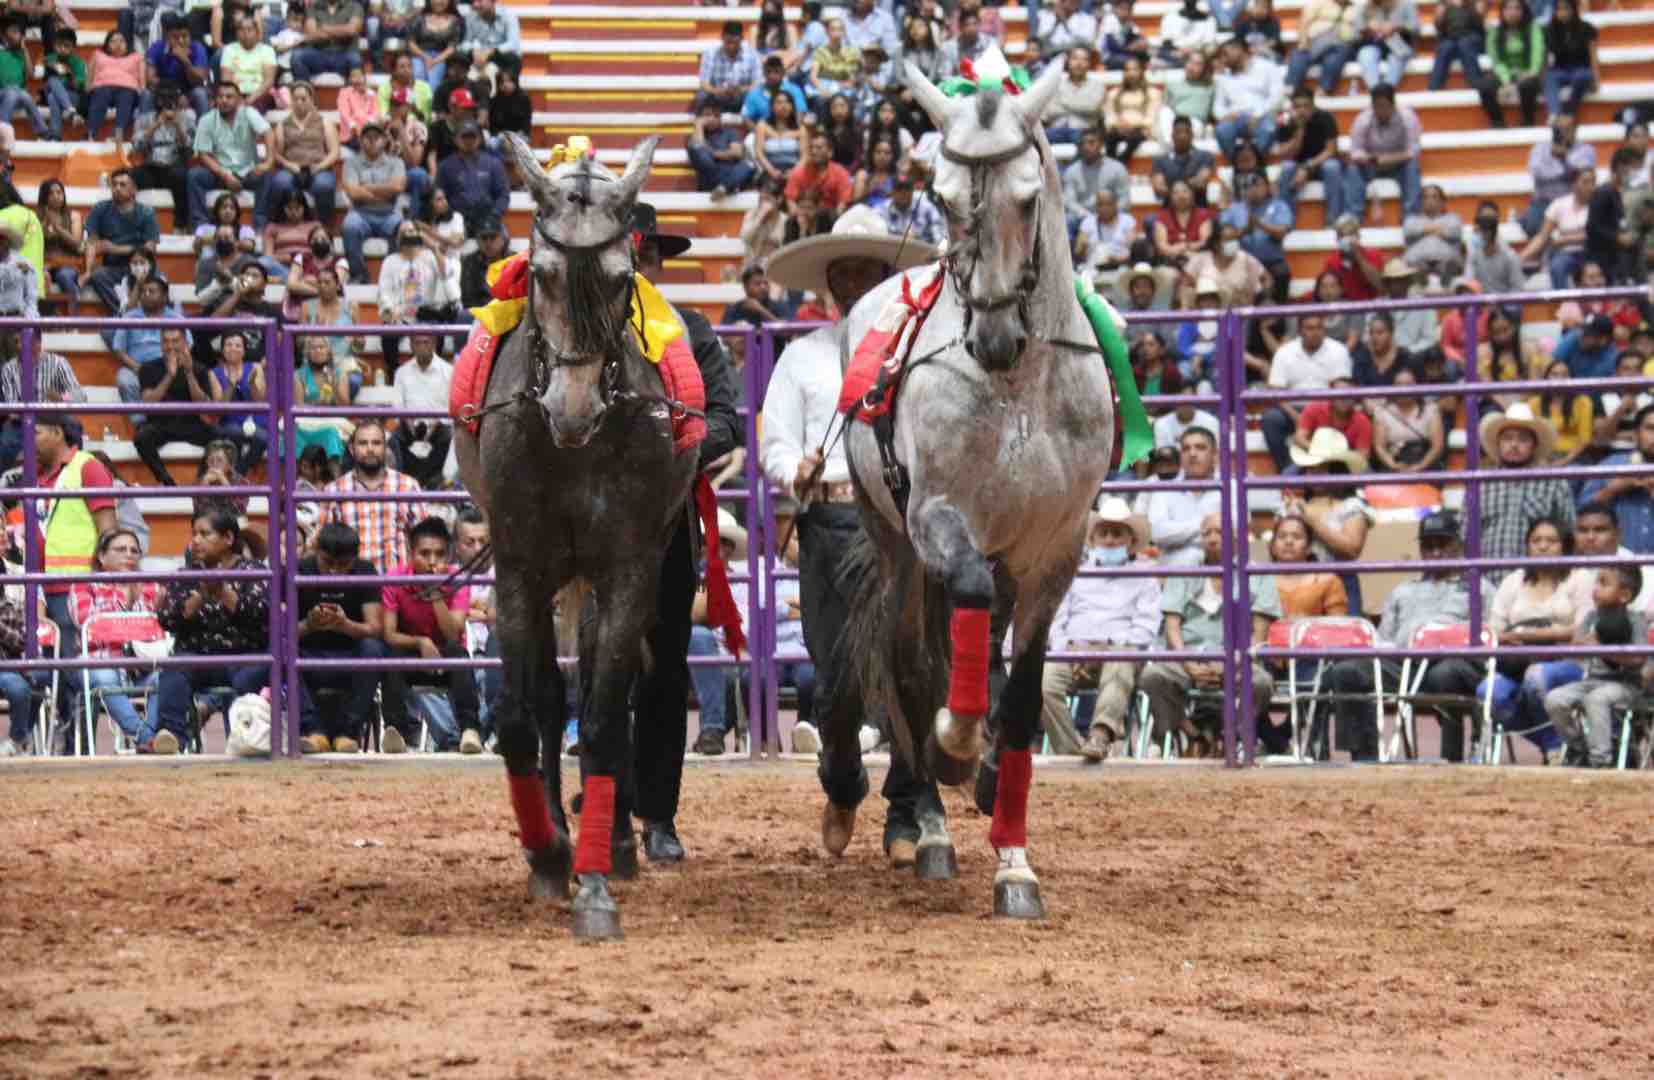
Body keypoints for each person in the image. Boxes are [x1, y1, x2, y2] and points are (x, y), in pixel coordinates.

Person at [761, 205, 939, 867]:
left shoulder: (915, 353)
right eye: (844, 273)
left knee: (908, 670)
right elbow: (775, 439)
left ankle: (905, 809)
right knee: (833, 681)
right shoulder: (802, 356)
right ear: (829, 284)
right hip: (831, 519)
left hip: (898, 521)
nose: (855, 283)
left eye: (868, 270)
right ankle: (842, 780)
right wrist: (792, 467)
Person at [618, 203, 744, 862]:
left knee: (665, 668)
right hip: (603, 525)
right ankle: (614, 806)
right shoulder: (591, 337)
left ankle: (657, 812)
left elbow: (728, 419)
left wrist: (678, 444)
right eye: (631, 256)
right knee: (605, 668)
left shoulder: (691, 331)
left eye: (646, 257)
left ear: (658, 263)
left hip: (666, 519)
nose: (639, 267)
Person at [1320, 511, 1493, 762]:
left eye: (1443, 545)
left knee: (1445, 674)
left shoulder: (1479, 588)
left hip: (1454, 664)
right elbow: (1383, 641)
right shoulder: (1403, 590)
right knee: (1347, 671)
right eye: (1428, 546)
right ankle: (1363, 757)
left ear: (1459, 545)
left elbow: (1491, 635)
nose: (1435, 553)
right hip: (1404, 666)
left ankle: (1451, 759)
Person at [1139, 513, 1279, 759]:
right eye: (1207, 534)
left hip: (1237, 657)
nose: (1213, 539)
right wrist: (1189, 663)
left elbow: (1259, 634)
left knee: (1261, 683)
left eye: (1220, 532)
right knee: (1153, 676)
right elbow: (1172, 628)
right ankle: (1193, 734)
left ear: (1238, 537)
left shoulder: (1257, 574)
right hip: (1188, 656)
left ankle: (1230, 736)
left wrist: (1233, 662)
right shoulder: (1184, 572)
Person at [1041, 499, 1157, 762]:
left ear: (1130, 540)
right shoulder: (1074, 574)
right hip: (1073, 653)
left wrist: (1104, 647)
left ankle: (1100, 736)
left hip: (1118, 652)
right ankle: (1070, 752)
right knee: (1043, 681)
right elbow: (1056, 622)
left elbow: (1145, 630)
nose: (1110, 539)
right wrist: (1070, 648)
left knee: (1121, 661)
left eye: (1117, 533)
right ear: (1092, 539)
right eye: (1103, 533)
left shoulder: (1145, 577)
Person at [154, 509, 271, 755]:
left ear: (228, 538)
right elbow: (168, 620)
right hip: (198, 656)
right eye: (194, 533)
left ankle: (245, 738)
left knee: (258, 670)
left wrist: (224, 593)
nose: (195, 540)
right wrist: (202, 596)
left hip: (244, 656)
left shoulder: (254, 571)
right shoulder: (186, 575)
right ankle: (171, 736)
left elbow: (263, 617)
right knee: (175, 666)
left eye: (205, 534)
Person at [1474, 516, 1589, 756]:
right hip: (1517, 663)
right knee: (1488, 691)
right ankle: (1554, 744)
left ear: (1565, 546)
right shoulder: (1513, 581)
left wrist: (1531, 635)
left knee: (1536, 677)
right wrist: (1505, 638)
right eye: (1536, 540)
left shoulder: (1580, 578)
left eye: (1551, 541)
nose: (1543, 546)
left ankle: (1562, 747)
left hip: (1568, 662)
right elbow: (1493, 629)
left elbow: (1581, 630)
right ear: (1527, 545)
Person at [378, 515, 478, 754]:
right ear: (411, 553)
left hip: (446, 655)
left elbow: (453, 634)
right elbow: (389, 634)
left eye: (439, 554)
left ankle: (470, 731)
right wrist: (420, 642)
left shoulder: (458, 579)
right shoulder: (395, 578)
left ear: (449, 554)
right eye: (424, 554)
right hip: (410, 653)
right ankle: (396, 731)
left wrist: (433, 591)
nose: (432, 561)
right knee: (389, 654)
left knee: (458, 653)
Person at [69, 527, 164, 752]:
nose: (129, 555)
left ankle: (147, 740)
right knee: (105, 674)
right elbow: (86, 623)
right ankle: (147, 739)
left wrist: (117, 623)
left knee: (167, 678)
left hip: (142, 666)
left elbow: (157, 630)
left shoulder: (151, 585)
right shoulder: (83, 585)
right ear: (102, 556)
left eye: (134, 550)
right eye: (120, 549)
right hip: (99, 663)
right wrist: (128, 609)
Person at [1545, 566, 1648, 768]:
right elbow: (1575, 648)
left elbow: (1639, 659)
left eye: (1604, 583)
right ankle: (1577, 747)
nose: (1596, 589)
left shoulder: (1636, 620)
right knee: (1555, 699)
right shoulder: (1592, 616)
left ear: (1624, 595)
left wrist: (1603, 649)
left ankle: (1600, 760)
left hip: (1626, 685)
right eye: (1596, 582)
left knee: (1596, 699)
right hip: (1592, 680)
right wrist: (1581, 644)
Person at [1477, 404, 1576, 582]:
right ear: (1498, 443)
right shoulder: (1481, 484)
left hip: (1538, 583)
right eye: (1507, 438)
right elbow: (1466, 534)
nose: (1514, 445)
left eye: (1523, 439)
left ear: (1534, 445)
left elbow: (1568, 532)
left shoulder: (1554, 483)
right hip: (1487, 582)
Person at [1281, 427, 1373, 614]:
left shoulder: (1352, 506)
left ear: (1337, 471)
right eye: (1310, 469)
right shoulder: (1295, 504)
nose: (1313, 474)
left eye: (1321, 468)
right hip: (1298, 585)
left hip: (1341, 584)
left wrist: (1311, 521)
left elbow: (1352, 549)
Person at [321, 420, 429, 572]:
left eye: (376, 443)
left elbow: (425, 540)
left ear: (385, 448)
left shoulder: (408, 486)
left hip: (397, 586)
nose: (370, 449)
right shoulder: (333, 491)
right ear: (352, 449)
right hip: (350, 585)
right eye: (363, 443)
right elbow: (323, 546)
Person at [1262, 313, 1353, 473]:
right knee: (1271, 419)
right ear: (1300, 331)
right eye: (1310, 328)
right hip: (1293, 409)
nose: (1315, 332)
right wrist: (1296, 416)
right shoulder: (1284, 352)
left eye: (1319, 327)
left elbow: (1342, 389)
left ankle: (1336, 471)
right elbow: (1275, 392)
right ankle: (1289, 470)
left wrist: (1314, 415)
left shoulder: (1338, 350)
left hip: (1328, 409)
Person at [132, 326, 220, 487]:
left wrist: (188, 373)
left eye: (175, 341)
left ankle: (201, 481)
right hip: (160, 424)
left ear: (185, 343)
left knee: (219, 437)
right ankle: (167, 480)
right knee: (141, 438)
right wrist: (170, 375)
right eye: (165, 341)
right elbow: (148, 403)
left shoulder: (199, 369)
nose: (170, 346)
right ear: (160, 344)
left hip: (191, 424)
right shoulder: (148, 368)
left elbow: (203, 405)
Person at [186, 81, 274, 232]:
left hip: (247, 171)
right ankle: (201, 225)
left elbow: (268, 132)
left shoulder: (248, 113)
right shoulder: (206, 120)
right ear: (215, 100)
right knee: (194, 175)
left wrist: (268, 161)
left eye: (229, 96)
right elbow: (203, 154)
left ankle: (260, 225)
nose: (224, 100)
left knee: (266, 175)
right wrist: (225, 175)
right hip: (219, 173)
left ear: (239, 99)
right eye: (220, 97)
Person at [84, 169, 160, 321]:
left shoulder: (146, 213)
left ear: (134, 190)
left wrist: (115, 249)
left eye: (123, 184)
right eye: (114, 184)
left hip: (140, 266)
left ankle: (154, 317)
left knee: (159, 279)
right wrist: (87, 270)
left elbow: (150, 249)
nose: (117, 188)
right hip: (112, 269)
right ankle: (124, 313)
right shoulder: (100, 209)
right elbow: (91, 242)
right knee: (97, 275)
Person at [265, 81, 342, 228]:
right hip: (292, 169)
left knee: (324, 186)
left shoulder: (324, 122)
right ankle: (277, 226)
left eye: (304, 99)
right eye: (296, 99)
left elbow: (334, 152)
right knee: (280, 183)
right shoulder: (283, 124)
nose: (299, 102)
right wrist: (288, 165)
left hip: (319, 168)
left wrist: (320, 166)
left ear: (311, 100)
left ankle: (324, 228)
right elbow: (276, 153)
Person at [1580, 402, 1654, 554]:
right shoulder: (1611, 465)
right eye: (1650, 429)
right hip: (1617, 567)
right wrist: (1614, 488)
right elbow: (1581, 513)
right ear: (1635, 434)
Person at [1145, 426, 1223, 567]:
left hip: (1221, 571)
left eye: (1200, 447)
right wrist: (1205, 526)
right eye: (1186, 449)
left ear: (1215, 455)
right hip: (1175, 573)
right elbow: (1157, 533)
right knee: (1189, 559)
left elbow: (1236, 529)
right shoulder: (1164, 488)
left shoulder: (1230, 486)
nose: (1192, 453)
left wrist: (1177, 538)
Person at [340, 121, 408, 284]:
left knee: (402, 227)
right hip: (361, 213)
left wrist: (366, 188)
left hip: (389, 213)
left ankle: (393, 277)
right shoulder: (351, 163)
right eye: (367, 137)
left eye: (376, 137)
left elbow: (398, 187)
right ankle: (359, 275)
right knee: (349, 226)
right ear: (361, 141)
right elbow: (353, 192)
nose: (372, 140)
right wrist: (385, 191)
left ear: (384, 141)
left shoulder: (396, 162)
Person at [1277, 88, 1356, 225]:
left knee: (1332, 167)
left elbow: (1330, 150)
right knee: (1286, 167)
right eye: (1297, 106)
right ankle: (1285, 221)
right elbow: (1285, 152)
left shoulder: (1326, 117)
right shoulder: (1284, 119)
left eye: (1306, 106)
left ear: (1313, 106)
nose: (1301, 110)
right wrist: (1299, 131)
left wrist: (1307, 167)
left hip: (1319, 164)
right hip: (1297, 165)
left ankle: (1333, 219)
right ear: (1291, 107)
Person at [129, 82, 196, 234]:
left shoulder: (187, 119)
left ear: (177, 99)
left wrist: (178, 126)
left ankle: (180, 225)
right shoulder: (144, 119)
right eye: (163, 98)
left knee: (183, 177)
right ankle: (130, 224)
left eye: (171, 98)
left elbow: (189, 150)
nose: (166, 101)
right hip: (151, 166)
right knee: (130, 178)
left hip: (174, 166)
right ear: (156, 100)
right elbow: (137, 147)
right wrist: (155, 126)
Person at [1348, 83, 1421, 221]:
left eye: (1384, 106)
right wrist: (1372, 159)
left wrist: (1386, 159)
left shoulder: (1408, 118)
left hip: (1399, 165)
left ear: (1393, 104)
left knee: (1412, 166)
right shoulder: (1363, 119)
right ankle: (1354, 216)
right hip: (1370, 164)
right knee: (1353, 169)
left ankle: (1410, 216)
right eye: (1376, 106)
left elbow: (1413, 152)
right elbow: (1355, 152)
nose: (1380, 111)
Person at [391, 335, 453, 489]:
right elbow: (397, 407)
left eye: (426, 342)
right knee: (394, 438)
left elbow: (452, 407)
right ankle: (402, 484)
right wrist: (408, 421)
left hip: (439, 426)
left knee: (450, 436)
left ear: (434, 343)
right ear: (411, 345)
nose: (422, 346)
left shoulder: (449, 371)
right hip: (410, 425)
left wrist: (437, 422)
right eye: (417, 343)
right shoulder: (401, 372)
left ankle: (425, 483)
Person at [1220, 172, 1293, 301]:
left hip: (1272, 261)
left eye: (1257, 184)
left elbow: (1282, 232)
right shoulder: (1235, 208)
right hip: (1243, 262)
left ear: (1267, 187)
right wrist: (1245, 230)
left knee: (1283, 272)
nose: (1253, 189)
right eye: (1248, 186)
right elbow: (1223, 234)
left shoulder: (1279, 206)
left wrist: (1260, 224)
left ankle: (1278, 316)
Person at [1212, 36, 1283, 158]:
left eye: (1225, 54)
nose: (1222, 60)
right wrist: (1226, 115)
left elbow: (1277, 97)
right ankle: (1238, 165)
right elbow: (1218, 107)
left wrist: (1257, 115)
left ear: (1238, 50)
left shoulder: (1267, 67)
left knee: (1269, 128)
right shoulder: (1223, 77)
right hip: (1235, 118)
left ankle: (1255, 166)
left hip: (1262, 116)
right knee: (1221, 130)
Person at [1371, 359, 1445, 473]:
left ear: (1416, 386)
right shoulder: (1382, 412)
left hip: (1425, 465)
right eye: (1399, 384)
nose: (1403, 389)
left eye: (1408, 384)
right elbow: (1379, 446)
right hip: (1393, 464)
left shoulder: (1430, 409)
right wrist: (1394, 465)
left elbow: (1437, 445)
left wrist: (1419, 467)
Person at [435, 120, 508, 233]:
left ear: (479, 139)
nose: (468, 141)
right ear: (455, 139)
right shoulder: (445, 166)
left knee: (497, 238)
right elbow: (439, 195)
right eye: (464, 137)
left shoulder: (494, 164)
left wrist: (495, 215)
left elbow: (503, 195)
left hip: (488, 219)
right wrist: (448, 216)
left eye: (472, 136)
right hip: (456, 221)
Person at [1479, 0, 1542, 129]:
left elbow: (1537, 53)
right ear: (1502, 12)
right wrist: (1506, 80)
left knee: (1527, 85)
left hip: (1527, 71)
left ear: (1523, 11)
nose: (1512, 12)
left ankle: (1527, 121)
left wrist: (1532, 71)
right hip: (1504, 72)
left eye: (1517, 8)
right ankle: (1498, 122)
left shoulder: (1533, 29)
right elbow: (1496, 61)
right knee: (1485, 86)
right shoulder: (1495, 32)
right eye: (1508, 8)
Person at [1061, 128, 1129, 235]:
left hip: (1112, 215)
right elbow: (1069, 202)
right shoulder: (1072, 171)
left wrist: (1109, 214)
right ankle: (1068, 252)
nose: (1086, 147)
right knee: (1067, 221)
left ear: (1101, 145)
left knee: (1127, 221)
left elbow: (1124, 200)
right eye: (1082, 144)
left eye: (1091, 142)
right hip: (1083, 217)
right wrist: (1089, 217)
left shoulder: (1117, 168)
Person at [1286, 0, 1360, 94]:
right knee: (1299, 54)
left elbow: (1360, 31)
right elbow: (1304, 22)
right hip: (1315, 42)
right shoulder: (1319, 3)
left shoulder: (1355, 8)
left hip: (1341, 46)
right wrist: (1303, 41)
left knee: (1335, 58)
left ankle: (1323, 90)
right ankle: (1291, 89)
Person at [143, 16, 210, 118]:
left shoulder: (197, 48)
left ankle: (205, 133)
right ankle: (144, 131)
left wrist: (186, 62)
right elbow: (150, 80)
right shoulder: (157, 47)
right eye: (175, 37)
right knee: (147, 94)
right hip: (164, 91)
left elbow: (200, 81)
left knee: (200, 93)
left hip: (189, 92)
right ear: (166, 37)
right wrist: (175, 94)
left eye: (185, 36)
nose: (181, 41)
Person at [86, 29, 144, 143]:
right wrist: (89, 91)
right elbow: (89, 78)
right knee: (101, 93)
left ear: (127, 45)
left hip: (128, 88)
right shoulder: (98, 55)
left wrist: (141, 91)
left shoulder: (136, 57)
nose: (118, 44)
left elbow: (142, 81)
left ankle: (118, 132)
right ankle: (91, 133)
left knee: (126, 95)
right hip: (103, 87)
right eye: (113, 41)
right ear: (107, 45)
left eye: (121, 41)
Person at [1544, 0, 1599, 119]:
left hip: (1581, 68)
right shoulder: (1549, 30)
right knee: (1549, 78)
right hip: (1560, 69)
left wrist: (1596, 80)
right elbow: (1546, 57)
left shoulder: (1587, 28)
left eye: (1566, 9)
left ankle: (1569, 112)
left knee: (1583, 77)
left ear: (1574, 10)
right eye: (1559, 9)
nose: (1563, 13)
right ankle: (1555, 114)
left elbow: (1593, 56)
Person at [1041, 46, 1105, 146]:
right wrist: (1081, 105)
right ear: (1068, 62)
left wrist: (1062, 103)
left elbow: (1092, 108)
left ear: (1089, 64)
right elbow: (1050, 111)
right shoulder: (1056, 84)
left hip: (1083, 132)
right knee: (1036, 140)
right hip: (1056, 131)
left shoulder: (1097, 86)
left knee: (1088, 141)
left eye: (1084, 59)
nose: (1079, 63)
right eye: (1075, 58)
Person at [1103, 57, 1161, 164]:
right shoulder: (1114, 93)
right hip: (1119, 128)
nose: (1131, 73)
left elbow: (1151, 116)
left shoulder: (1152, 93)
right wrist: (1117, 124)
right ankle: (1110, 166)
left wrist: (1133, 125)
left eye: (1134, 69)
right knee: (1110, 138)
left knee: (1136, 137)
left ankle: (1122, 163)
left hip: (1140, 130)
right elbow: (1109, 115)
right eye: (1127, 70)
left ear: (1141, 72)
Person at [1150, 116, 1217, 209]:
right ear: (1172, 135)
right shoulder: (1160, 160)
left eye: (1186, 132)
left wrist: (1174, 188)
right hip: (1170, 210)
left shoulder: (1205, 156)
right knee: (1150, 220)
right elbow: (1159, 188)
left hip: (1197, 209)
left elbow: (1201, 182)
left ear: (1192, 135)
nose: (1182, 136)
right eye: (1178, 132)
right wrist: (1187, 185)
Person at [1402, 185, 1465, 280]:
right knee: (1411, 266)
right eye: (1426, 197)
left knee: (1452, 264)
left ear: (1443, 202)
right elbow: (1409, 231)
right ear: (1421, 202)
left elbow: (1454, 232)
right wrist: (1440, 230)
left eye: (1434, 197)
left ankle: (1446, 278)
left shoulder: (1453, 218)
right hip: (1418, 264)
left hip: (1446, 263)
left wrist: (1424, 230)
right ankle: (1421, 278)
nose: (1430, 200)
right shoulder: (1411, 220)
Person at [293, 0, 365, 82]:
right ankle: (303, 90)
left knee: (355, 59)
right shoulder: (313, 7)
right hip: (319, 54)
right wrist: (343, 31)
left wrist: (324, 28)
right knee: (297, 56)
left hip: (345, 54)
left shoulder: (355, 6)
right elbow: (311, 33)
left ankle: (351, 93)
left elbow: (352, 30)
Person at [696, 20, 759, 114]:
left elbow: (757, 83)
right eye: (728, 41)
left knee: (757, 96)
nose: (731, 46)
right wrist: (718, 91)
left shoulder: (752, 55)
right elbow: (704, 83)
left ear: (741, 39)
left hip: (741, 97)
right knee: (702, 95)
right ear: (722, 37)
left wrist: (741, 90)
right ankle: (709, 122)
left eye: (734, 42)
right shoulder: (710, 54)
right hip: (718, 97)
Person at [219, 14, 277, 109]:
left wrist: (250, 99)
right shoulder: (229, 50)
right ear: (237, 33)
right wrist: (238, 98)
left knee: (255, 107)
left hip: (259, 94)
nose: (245, 33)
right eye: (241, 30)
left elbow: (268, 81)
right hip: (235, 94)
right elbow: (226, 79)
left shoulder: (267, 50)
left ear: (257, 32)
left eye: (249, 29)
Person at [1468, 201, 1526, 295]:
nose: (1478, 233)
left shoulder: (1510, 256)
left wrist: (1500, 302)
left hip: (1505, 304)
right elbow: (1469, 282)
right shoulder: (1474, 255)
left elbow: (1518, 289)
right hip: (1481, 304)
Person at [459, 0, 522, 86]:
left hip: (501, 56)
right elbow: (464, 43)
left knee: (513, 59)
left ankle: (507, 87)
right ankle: (465, 89)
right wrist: (473, 51)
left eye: (479, 1)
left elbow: (513, 44)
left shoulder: (508, 14)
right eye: (473, 1)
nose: (475, 4)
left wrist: (491, 51)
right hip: (481, 55)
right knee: (458, 56)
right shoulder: (471, 16)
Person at [1430, 0, 1485, 91]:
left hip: (1471, 38)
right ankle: (1434, 88)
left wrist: (1477, 12)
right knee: (1445, 47)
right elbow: (1439, 28)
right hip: (1451, 39)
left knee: (1464, 44)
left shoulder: (1474, 3)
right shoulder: (1444, 4)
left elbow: (1479, 26)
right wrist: (1440, 17)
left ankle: (1476, 84)